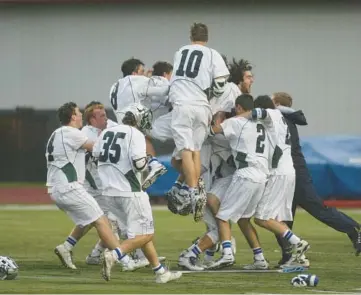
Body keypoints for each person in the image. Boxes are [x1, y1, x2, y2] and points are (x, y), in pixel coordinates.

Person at [93, 103, 182, 283]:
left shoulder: (106, 132)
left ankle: (160, 273)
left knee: (141, 234)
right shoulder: (136, 134)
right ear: (138, 118)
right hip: (130, 191)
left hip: (109, 193)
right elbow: (139, 164)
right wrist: (152, 163)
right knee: (146, 234)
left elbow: (96, 155)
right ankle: (115, 255)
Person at [46, 102, 136, 276]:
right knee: (102, 221)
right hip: (69, 187)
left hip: (58, 187)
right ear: (72, 116)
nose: (80, 116)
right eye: (78, 113)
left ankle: (66, 247)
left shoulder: (57, 133)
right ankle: (125, 260)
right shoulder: (72, 133)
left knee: (89, 219)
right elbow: (98, 149)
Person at [272, 92, 361, 264]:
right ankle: (288, 256)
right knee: (282, 216)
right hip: (291, 172)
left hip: (294, 173)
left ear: (276, 104)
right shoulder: (285, 118)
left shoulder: (279, 119)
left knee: (314, 209)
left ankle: (354, 230)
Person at [168, 22, 230, 222]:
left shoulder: (180, 52)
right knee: (195, 149)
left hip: (182, 103)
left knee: (186, 149)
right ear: (207, 37)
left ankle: (193, 190)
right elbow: (221, 83)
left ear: (190, 36)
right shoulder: (213, 54)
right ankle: (196, 190)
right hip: (202, 105)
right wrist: (211, 93)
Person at [109, 58, 169, 191]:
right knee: (144, 129)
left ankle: (151, 163)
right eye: (142, 71)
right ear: (134, 73)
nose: (144, 74)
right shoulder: (136, 80)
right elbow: (163, 91)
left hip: (120, 126)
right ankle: (153, 163)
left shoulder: (115, 86)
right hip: (133, 121)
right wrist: (161, 80)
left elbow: (134, 91)